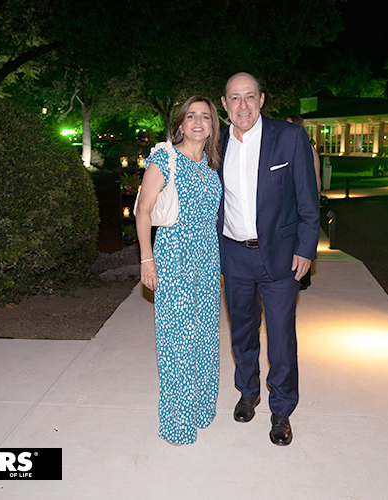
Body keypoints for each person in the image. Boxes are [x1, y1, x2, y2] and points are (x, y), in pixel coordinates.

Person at [218, 73, 319, 446]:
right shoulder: (216, 144)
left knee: (280, 337)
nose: (243, 105)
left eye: (250, 96)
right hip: (234, 254)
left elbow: (308, 199)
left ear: (261, 99)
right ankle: (248, 392)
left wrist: (306, 248)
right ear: (224, 104)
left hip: (280, 255)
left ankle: (281, 410)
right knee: (241, 332)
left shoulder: (289, 137)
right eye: (235, 98)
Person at [136, 95, 222, 446]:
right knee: (178, 342)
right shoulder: (164, 159)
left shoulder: (211, 167)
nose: (198, 122)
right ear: (181, 124)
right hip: (174, 259)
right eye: (191, 116)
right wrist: (147, 259)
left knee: (205, 338)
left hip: (208, 261)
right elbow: (143, 211)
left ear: (213, 127)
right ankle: (177, 423)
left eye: (205, 116)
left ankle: (200, 410)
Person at [286, 114, 321, 290]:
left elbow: (315, 179)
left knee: (302, 240)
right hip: (289, 204)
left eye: (291, 126)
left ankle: (302, 277)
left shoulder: (308, 149)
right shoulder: (286, 148)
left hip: (301, 204)